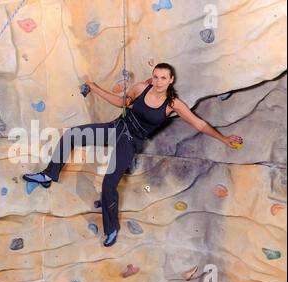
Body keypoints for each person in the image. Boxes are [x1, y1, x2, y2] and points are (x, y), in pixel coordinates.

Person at [23, 63, 243, 247]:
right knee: (72, 134)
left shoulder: (173, 104)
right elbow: (121, 102)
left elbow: (199, 124)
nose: (158, 81)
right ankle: (48, 175)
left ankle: (111, 229)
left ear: (170, 80)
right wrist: (95, 88)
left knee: (109, 185)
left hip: (130, 142)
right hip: (116, 128)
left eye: (163, 78)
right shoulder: (140, 88)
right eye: (156, 77)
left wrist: (224, 139)